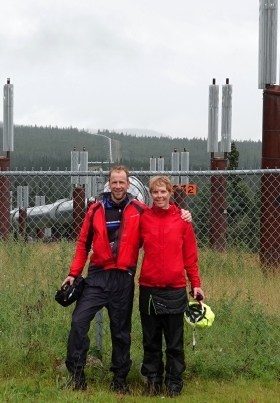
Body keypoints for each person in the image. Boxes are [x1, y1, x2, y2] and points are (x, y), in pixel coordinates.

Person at [60, 166, 190, 394]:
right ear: (108, 184)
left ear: (128, 185)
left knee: (121, 331)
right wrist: (74, 273)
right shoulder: (95, 210)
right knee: (78, 322)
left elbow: (162, 216)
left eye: (122, 182)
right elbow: (83, 244)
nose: (118, 186)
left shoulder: (140, 210)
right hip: (98, 276)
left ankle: (119, 380)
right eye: (114, 182)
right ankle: (77, 375)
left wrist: (182, 213)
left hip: (124, 277)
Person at [137, 175, 204, 397]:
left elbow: (190, 257)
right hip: (148, 288)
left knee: (174, 342)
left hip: (174, 287)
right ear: (150, 194)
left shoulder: (183, 221)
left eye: (163, 192)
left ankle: (174, 383)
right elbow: (130, 246)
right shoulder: (143, 219)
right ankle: (153, 382)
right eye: (155, 192)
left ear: (170, 193)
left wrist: (196, 284)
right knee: (151, 340)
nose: (159, 196)